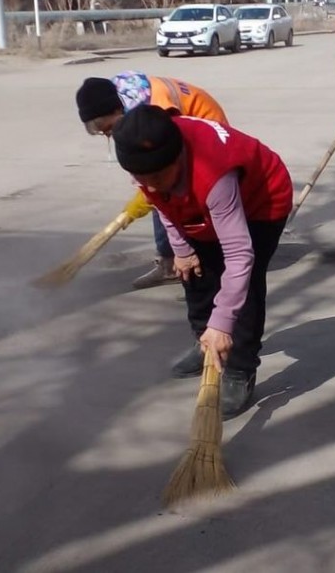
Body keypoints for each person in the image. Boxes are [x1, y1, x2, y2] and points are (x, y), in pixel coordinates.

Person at [112, 105, 293, 418]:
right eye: (142, 178)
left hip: (261, 202)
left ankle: (239, 369)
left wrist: (223, 323)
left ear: (178, 158)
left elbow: (239, 254)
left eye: (156, 176)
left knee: (243, 286)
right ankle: (204, 341)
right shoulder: (145, 160)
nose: (149, 185)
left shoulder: (213, 173)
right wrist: (182, 249)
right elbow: (162, 203)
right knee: (195, 271)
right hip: (200, 202)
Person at [75, 72, 229, 289]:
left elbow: (158, 170)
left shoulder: (158, 112)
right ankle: (171, 262)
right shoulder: (123, 94)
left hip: (207, 130)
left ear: (117, 111)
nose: (109, 136)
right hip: (183, 129)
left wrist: (138, 204)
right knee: (161, 194)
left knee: (172, 193)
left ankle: (207, 261)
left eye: (108, 129)